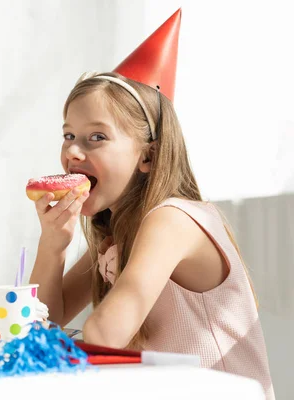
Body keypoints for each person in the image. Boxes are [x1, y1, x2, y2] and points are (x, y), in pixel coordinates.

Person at [29, 10, 273, 399]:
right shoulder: (117, 232)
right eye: (69, 134)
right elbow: (43, 322)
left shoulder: (171, 221)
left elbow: (104, 335)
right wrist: (52, 245)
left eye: (96, 137)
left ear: (148, 156)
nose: (73, 151)